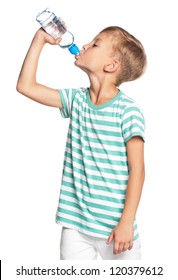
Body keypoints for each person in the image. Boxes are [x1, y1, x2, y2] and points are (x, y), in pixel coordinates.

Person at [16, 23, 147, 260]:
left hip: (116, 229)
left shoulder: (128, 111)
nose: (85, 45)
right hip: (75, 225)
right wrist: (39, 40)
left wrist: (126, 223)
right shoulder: (75, 100)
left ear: (111, 65)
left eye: (95, 44)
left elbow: (137, 170)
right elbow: (25, 86)